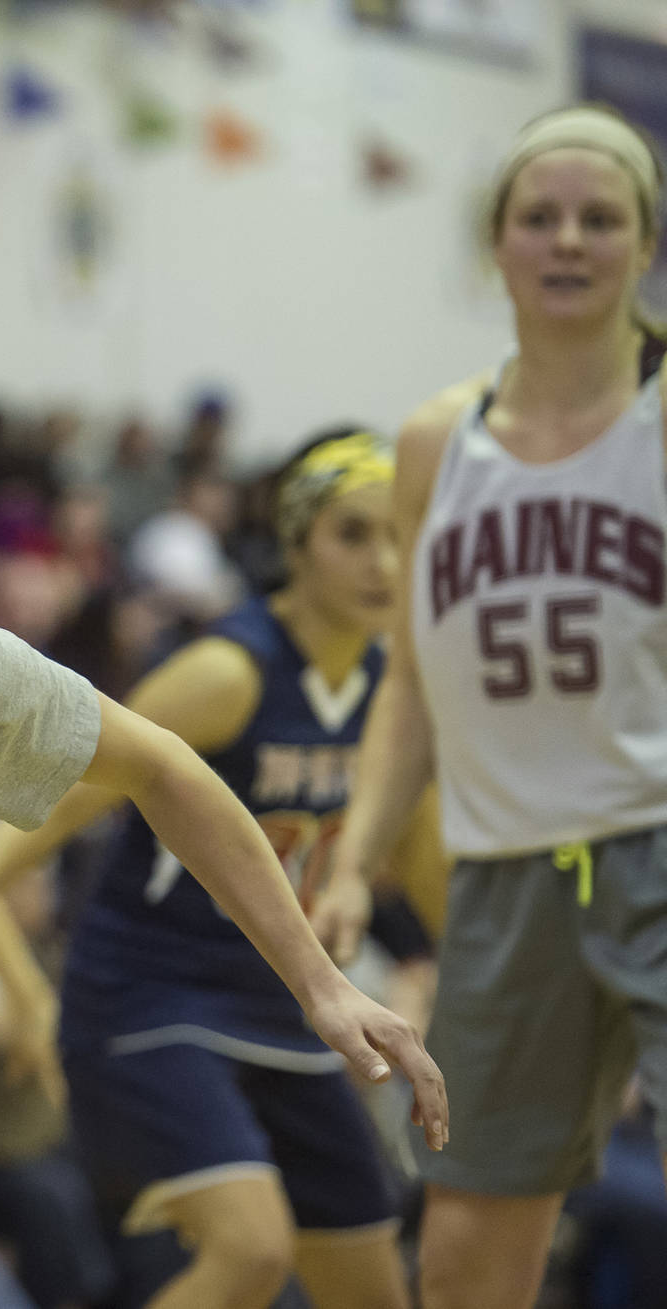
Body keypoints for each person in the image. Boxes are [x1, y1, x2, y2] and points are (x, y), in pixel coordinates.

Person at [0, 427, 426, 1308]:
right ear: (298, 543)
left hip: (288, 1002)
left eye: (400, 534)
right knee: (251, 1249)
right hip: (152, 995)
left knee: (373, 1286)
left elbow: (424, 851)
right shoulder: (229, 672)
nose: (383, 560)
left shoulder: (391, 690)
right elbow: (74, 782)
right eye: (354, 533)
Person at [303, 104, 667, 1309]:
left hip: (655, 837)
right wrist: (354, 860)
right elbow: (411, 678)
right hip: (509, 869)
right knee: (463, 1254)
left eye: (599, 219)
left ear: (643, 244)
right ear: (497, 245)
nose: (568, 241)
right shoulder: (431, 443)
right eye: (538, 218)